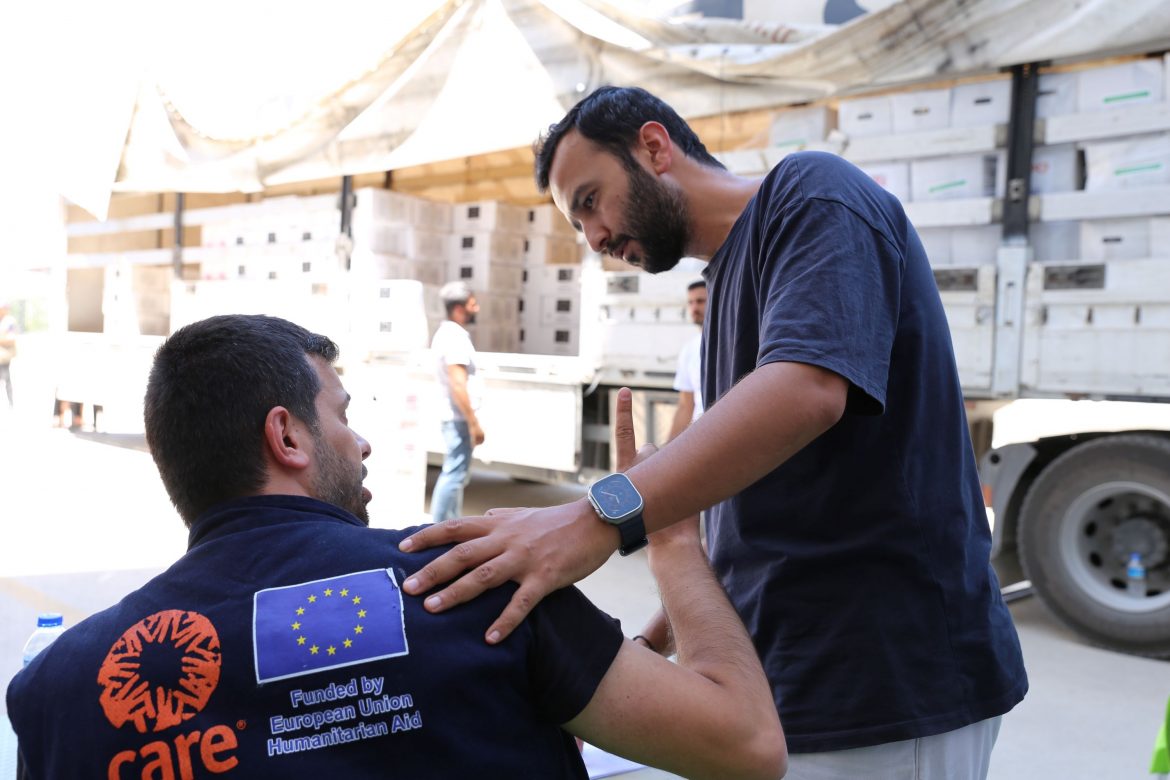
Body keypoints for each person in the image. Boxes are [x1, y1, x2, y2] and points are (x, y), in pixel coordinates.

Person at [395, 86, 1028, 778]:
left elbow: (809, 390)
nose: (597, 239)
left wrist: (596, 517)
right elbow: (737, 526)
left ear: (655, 148)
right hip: (783, 691)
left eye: (589, 200)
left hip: (886, 691)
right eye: (580, 227)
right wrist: (633, 660)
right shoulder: (725, 283)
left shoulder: (813, 194)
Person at [6, 313, 785, 780]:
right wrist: (673, 535)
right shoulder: (477, 578)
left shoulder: (57, 696)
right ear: (287, 436)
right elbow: (746, 746)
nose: (366, 441)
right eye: (342, 412)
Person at [429, 281, 484, 522]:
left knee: (457, 475)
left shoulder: (448, 334)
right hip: (458, 418)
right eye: (473, 304)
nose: (477, 308)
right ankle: (438, 528)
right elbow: (458, 383)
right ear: (460, 309)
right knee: (454, 475)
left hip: (455, 417)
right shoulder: (454, 338)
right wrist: (473, 422)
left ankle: (451, 525)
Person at [667, 279, 707, 442]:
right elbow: (685, 406)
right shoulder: (689, 349)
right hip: (699, 439)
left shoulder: (733, 341)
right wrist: (665, 453)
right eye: (690, 302)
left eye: (700, 301)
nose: (694, 308)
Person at [0, 300, 17, 409]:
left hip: (4, 356)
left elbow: (11, 339)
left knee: (6, 379)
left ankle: (10, 403)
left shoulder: (9, 321)